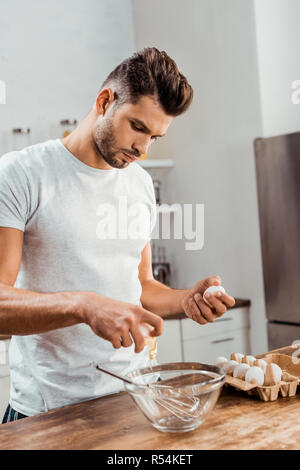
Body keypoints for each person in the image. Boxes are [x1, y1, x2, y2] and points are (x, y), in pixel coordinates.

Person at [0, 47, 235, 423]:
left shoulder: (139, 185)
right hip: (48, 414)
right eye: (138, 127)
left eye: (154, 137)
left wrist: (186, 300)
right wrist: (83, 305)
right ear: (105, 100)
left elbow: (140, 287)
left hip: (135, 399)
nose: (142, 149)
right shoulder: (21, 174)